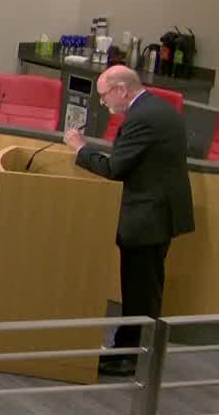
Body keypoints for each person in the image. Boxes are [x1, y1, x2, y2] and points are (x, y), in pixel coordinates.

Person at [65, 65, 195, 377]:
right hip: (155, 213)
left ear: (122, 90)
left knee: (140, 291)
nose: (103, 103)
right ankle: (130, 352)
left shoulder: (142, 118)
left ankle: (129, 358)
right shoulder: (156, 109)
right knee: (143, 290)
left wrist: (80, 147)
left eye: (104, 95)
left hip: (149, 217)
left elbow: (114, 169)